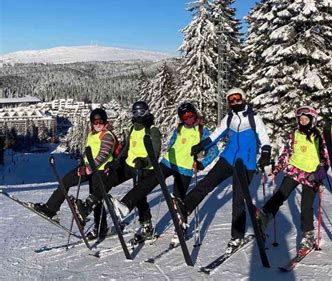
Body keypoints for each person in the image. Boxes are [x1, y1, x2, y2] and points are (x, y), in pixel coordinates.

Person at [168, 88, 272, 253]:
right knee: (207, 183)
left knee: (238, 200)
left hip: (246, 164)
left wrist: (266, 153)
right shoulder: (228, 118)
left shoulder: (254, 118)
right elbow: (214, 136)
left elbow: (264, 138)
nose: (235, 102)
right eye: (231, 99)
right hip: (228, 159)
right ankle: (185, 207)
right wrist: (200, 146)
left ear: (244, 99)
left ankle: (237, 236)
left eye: (238, 98)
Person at [109, 102, 218, 244]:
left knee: (178, 202)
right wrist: (169, 152)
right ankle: (126, 205)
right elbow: (173, 143)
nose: (188, 120)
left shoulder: (203, 131)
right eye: (184, 118)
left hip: (184, 169)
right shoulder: (179, 129)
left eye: (190, 116)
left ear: (195, 114)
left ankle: (180, 227)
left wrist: (201, 164)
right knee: (146, 184)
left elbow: (214, 151)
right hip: (167, 163)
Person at [72, 101, 161, 242]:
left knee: (139, 197)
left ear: (147, 112)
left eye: (141, 112)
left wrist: (144, 161)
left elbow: (155, 152)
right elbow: (127, 148)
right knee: (108, 180)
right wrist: (116, 162)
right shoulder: (133, 128)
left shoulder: (152, 130)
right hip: (129, 164)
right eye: (135, 112)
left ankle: (146, 226)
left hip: (144, 168)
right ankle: (88, 205)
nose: (138, 115)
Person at [255, 106, 329, 255]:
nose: (303, 122)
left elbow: (325, 158)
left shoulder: (318, 136)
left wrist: (319, 174)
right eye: (300, 119)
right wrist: (277, 169)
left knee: (306, 205)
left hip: (311, 174)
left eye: (306, 119)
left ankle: (308, 236)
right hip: (295, 170)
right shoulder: (294, 135)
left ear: (312, 120)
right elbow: (286, 154)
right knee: (281, 194)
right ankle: (264, 216)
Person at [33, 108, 117, 239]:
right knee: (65, 181)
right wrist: (84, 164)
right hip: (87, 167)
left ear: (105, 122)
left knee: (96, 200)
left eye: (101, 121)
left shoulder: (107, 135)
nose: (98, 124)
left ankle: (101, 228)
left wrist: (89, 168)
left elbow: (103, 155)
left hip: (100, 170)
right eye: (95, 122)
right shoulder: (92, 134)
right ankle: (51, 208)